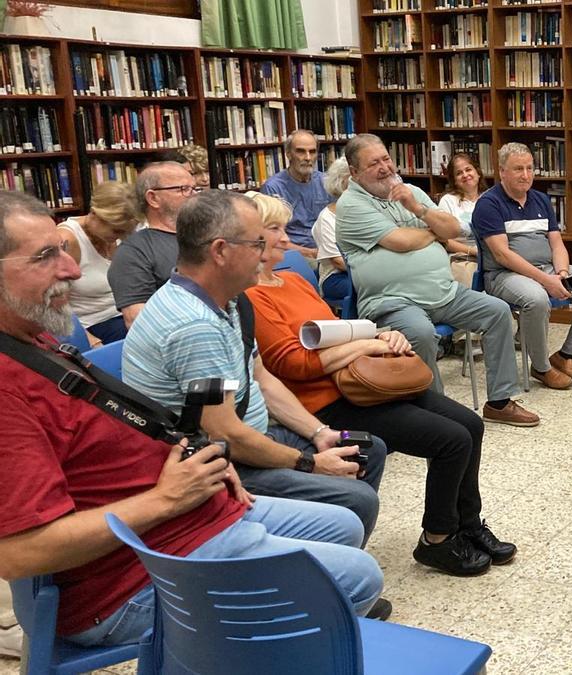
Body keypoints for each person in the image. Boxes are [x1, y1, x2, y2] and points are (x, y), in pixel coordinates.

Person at [0, 190, 383, 647]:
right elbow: (20, 552)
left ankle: (303, 629)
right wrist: (167, 499)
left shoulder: (31, 339)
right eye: (45, 256)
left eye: (63, 249)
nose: (73, 269)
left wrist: (200, 459)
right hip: (129, 578)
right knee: (359, 576)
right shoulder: (9, 386)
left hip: (178, 519)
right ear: (220, 251)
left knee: (344, 523)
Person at [246, 193, 515, 576]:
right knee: (451, 440)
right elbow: (294, 364)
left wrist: (382, 335)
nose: (287, 238)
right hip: (327, 401)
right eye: (275, 229)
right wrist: (365, 345)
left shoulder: (292, 280)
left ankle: (467, 525)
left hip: (363, 381)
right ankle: (437, 539)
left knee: (470, 424)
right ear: (249, 237)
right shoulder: (252, 297)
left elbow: (337, 330)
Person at [122, 190, 387, 543]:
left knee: (366, 449)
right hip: (221, 464)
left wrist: (318, 433)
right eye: (257, 243)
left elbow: (261, 377)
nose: (267, 253)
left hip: (252, 437)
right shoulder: (195, 326)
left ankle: (325, 554)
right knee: (357, 498)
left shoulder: (228, 301)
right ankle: (320, 567)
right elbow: (225, 436)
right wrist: (309, 463)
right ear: (220, 251)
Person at [336, 133, 539, 427]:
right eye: (373, 163)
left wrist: (418, 209)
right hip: (393, 300)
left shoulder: (409, 191)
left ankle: (500, 402)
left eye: (386, 159)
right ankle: (436, 416)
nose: (384, 167)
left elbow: (452, 229)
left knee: (497, 312)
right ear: (354, 172)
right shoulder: (351, 205)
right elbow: (401, 241)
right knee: (420, 333)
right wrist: (433, 233)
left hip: (444, 292)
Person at [472, 142, 572, 390]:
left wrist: (562, 273)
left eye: (529, 168)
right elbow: (502, 255)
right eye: (518, 169)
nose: (526, 175)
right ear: (502, 171)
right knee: (536, 299)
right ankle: (541, 367)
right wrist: (546, 281)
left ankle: (567, 354)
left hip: (548, 269)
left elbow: (557, 244)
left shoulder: (540, 199)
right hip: (505, 275)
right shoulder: (488, 204)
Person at [109, 161, 198, 328]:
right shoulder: (133, 252)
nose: (194, 196)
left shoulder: (206, 236)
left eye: (194, 189)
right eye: (183, 189)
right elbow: (138, 322)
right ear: (153, 198)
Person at [57, 180, 139, 344]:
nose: (120, 236)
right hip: (93, 325)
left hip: (125, 315)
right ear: (95, 214)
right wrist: (91, 341)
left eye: (125, 232)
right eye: (116, 230)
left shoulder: (118, 236)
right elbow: (55, 304)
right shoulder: (67, 240)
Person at [262, 129, 329, 258]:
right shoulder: (273, 188)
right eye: (301, 151)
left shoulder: (326, 181)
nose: (308, 158)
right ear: (288, 154)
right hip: (294, 254)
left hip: (327, 250)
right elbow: (271, 237)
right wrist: (310, 253)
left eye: (312, 152)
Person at [438, 152, 484, 289]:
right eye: (459, 173)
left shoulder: (490, 198)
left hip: (490, 256)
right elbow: (444, 240)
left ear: (478, 173)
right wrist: (473, 251)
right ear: (454, 180)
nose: (465, 175)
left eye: (468, 169)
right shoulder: (448, 201)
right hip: (461, 257)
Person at [311, 157, 352, 300]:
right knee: (378, 287)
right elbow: (338, 262)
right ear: (342, 182)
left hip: (367, 273)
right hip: (336, 277)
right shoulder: (326, 218)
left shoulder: (371, 210)